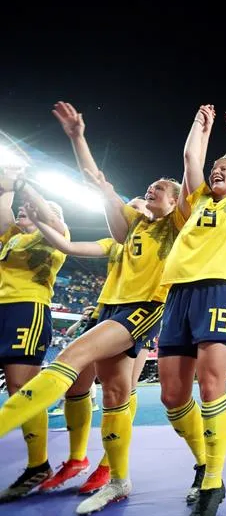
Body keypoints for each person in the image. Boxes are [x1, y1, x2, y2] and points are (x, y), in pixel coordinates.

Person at [0, 99, 185, 514]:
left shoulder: (175, 228)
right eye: (145, 189)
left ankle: (15, 425)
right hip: (108, 309)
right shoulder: (122, 236)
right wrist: (79, 137)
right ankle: (112, 474)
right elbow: (96, 182)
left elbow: (187, 178)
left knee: (72, 360)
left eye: (158, 189)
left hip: (145, 308)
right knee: (113, 392)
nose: (148, 191)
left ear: (174, 204)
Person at [158, 105, 226, 515]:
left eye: (225, 168)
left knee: (211, 386)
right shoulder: (199, 199)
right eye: (215, 167)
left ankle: (214, 482)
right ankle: (203, 461)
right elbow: (189, 160)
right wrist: (200, 126)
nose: (217, 171)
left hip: (220, 289)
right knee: (172, 396)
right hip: (179, 293)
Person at [32, 197, 157, 495]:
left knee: (123, 390)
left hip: (142, 314)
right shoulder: (116, 244)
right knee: (75, 385)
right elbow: (69, 247)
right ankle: (77, 458)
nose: (130, 210)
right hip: (105, 313)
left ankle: (109, 465)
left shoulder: (164, 237)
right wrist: (39, 221)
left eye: (138, 206)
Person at [0, 165, 69, 502]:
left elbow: (50, 216)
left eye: (35, 209)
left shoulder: (54, 233)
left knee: (21, 387)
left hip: (28, 308)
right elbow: (4, 204)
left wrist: (28, 187)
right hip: (2, 309)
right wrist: (9, 180)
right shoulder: (11, 236)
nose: (25, 212)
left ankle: (37, 464)